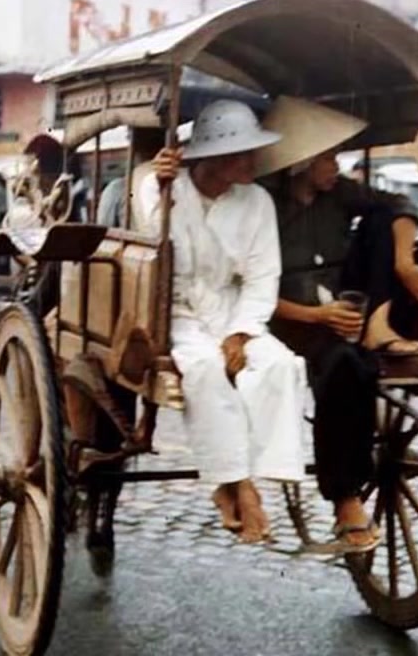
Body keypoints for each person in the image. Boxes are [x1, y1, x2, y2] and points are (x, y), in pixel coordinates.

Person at [256, 96, 418, 552]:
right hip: (287, 319)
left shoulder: (339, 193)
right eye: (326, 156)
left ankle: (378, 325)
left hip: (345, 310)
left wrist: (402, 261)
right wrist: (317, 316)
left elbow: (399, 202)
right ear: (300, 162)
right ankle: (345, 500)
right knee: (344, 367)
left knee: (381, 221)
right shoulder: (263, 206)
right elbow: (249, 290)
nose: (335, 164)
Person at [138, 100, 307, 544]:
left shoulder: (257, 201)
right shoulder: (159, 188)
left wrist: (241, 332)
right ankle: (235, 486)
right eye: (242, 154)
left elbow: (262, 275)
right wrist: (161, 188)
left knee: (280, 365)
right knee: (205, 370)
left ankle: (256, 473)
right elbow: (149, 244)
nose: (253, 162)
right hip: (174, 314)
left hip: (234, 312)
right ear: (212, 158)